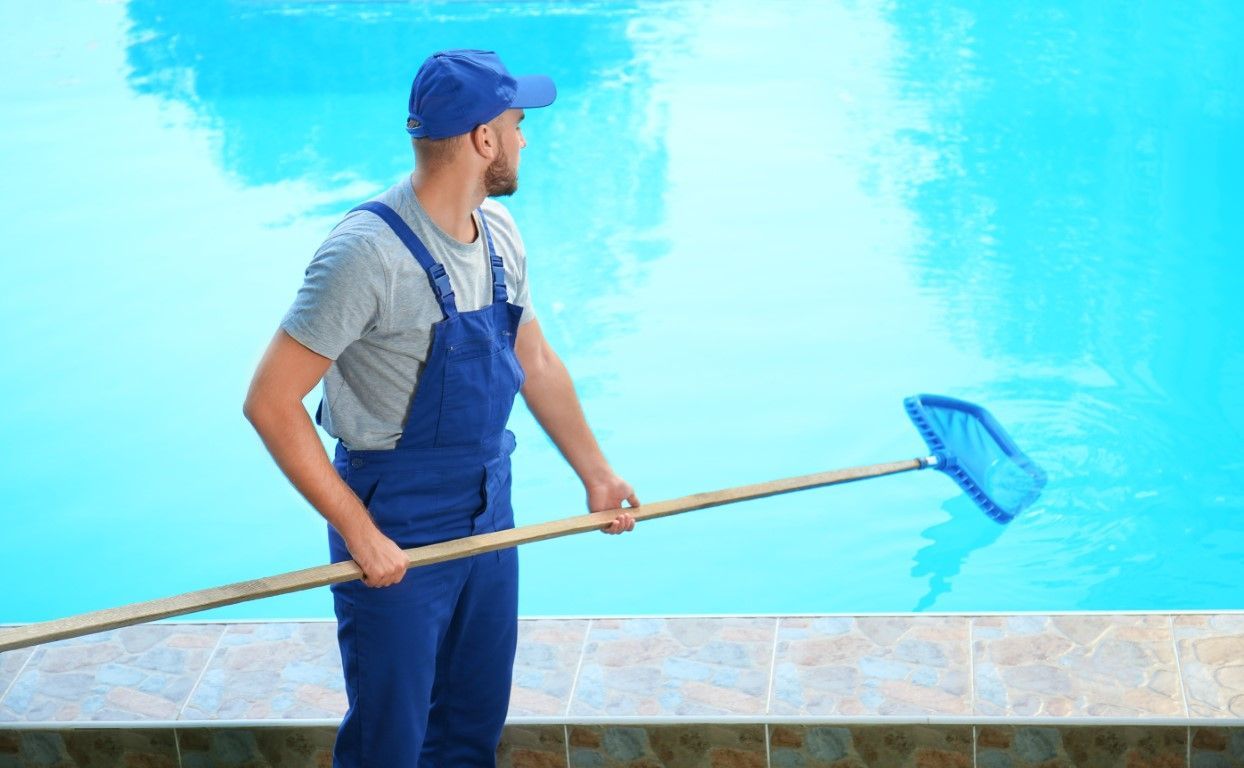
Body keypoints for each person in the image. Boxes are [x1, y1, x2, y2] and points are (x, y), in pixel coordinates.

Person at [242, 49, 638, 767]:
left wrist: (597, 472)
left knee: (470, 722)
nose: (525, 138)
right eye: (517, 123)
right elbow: (270, 403)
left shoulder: (502, 238)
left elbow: (534, 360)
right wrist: (360, 534)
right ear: (483, 139)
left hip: (489, 504)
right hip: (396, 514)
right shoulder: (365, 255)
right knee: (390, 741)